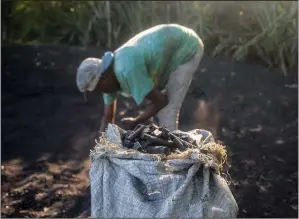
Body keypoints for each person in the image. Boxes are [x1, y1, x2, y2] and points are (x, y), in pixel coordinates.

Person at [76, 24, 204, 132]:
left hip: (186, 45)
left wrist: (136, 121)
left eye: (98, 89)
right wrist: (101, 147)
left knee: (167, 111)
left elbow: (161, 101)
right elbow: (108, 117)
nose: (101, 93)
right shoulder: (108, 77)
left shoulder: (127, 70)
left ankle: (173, 159)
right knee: (156, 110)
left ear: (102, 79)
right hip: (164, 53)